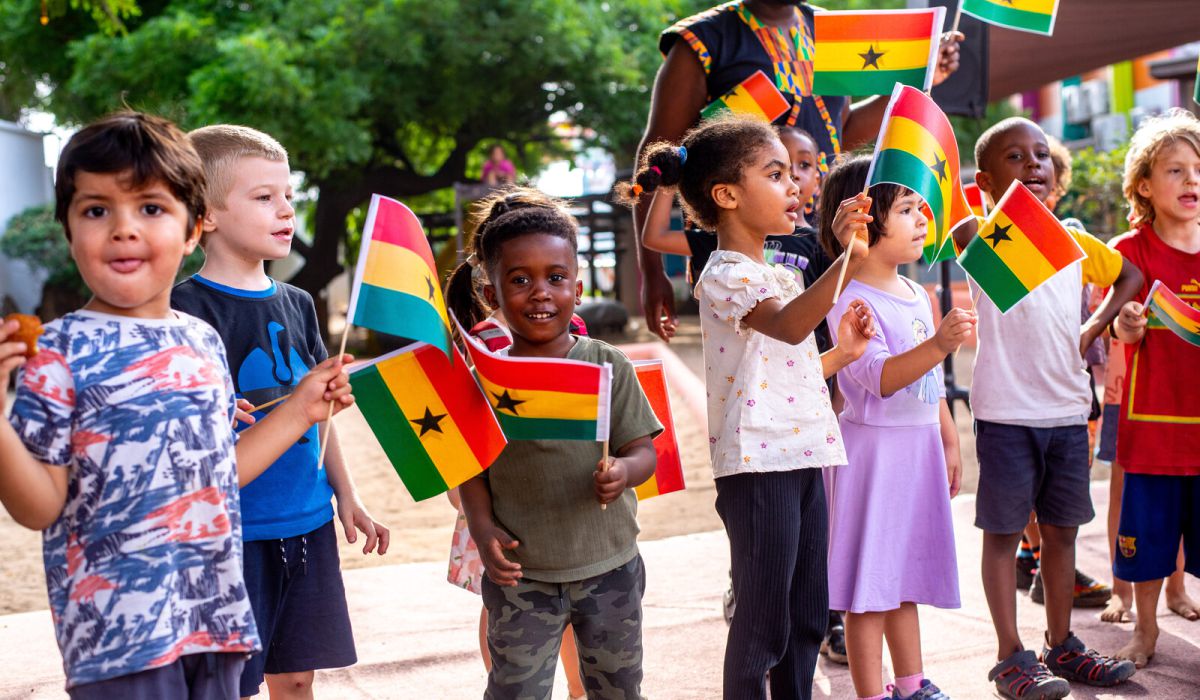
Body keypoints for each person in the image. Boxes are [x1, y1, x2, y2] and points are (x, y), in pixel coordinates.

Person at [0, 111, 355, 698]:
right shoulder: (56, 353)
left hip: (214, 625)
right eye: (96, 210)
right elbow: (38, 507)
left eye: (150, 208)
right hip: (119, 644)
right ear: (67, 228)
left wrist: (301, 410)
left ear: (192, 229)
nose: (123, 229)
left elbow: (217, 478)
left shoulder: (201, 342)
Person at [623, 114, 874, 699]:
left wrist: (844, 353)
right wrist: (851, 260)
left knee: (807, 614)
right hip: (759, 465)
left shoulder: (777, 275)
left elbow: (791, 369)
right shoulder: (724, 272)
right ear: (727, 196)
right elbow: (788, 328)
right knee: (762, 623)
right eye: (776, 174)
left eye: (793, 174)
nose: (794, 185)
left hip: (803, 451)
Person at [170, 124, 389, 698]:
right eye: (264, 197)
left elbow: (320, 417)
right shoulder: (181, 312)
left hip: (308, 522)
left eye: (288, 195)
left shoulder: (299, 303)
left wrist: (346, 496)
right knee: (228, 684)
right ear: (206, 215)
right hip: (229, 536)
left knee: (295, 677)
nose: (286, 210)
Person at [633, 0, 963, 343]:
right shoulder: (702, 41)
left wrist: (921, 79)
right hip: (746, 249)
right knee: (759, 354)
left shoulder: (828, 29)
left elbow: (841, 130)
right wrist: (652, 270)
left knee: (826, 351)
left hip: (822, 235)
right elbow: (662, 154)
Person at [445, 187, 662, 699]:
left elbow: (644, 451)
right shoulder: (483, 377)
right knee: (515, 690)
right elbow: (470, 466)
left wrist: (624, 472)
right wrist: (481, 525)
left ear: (578, 289)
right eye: (520, 280)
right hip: (521, 576)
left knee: (618, 688)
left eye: (556, 278)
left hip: (610, 567)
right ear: (492, 295)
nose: (540, 292)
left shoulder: (608, 364)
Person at [952, 117, 1143, 699]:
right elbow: (956, 216)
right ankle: (1010, 657)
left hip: (1066, 411)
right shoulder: (982, 236)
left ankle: (1061, 645)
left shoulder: (1073, 241)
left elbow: (1130, 274)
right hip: (1007, 415)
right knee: (1003, 535)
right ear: (986, 180)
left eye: (1040, 155)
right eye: (1015, 157)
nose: (1033, 164)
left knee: (1062, 533)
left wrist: (1092, 327)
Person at [818, 155, 975, 700]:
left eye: (921, 207)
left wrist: (949, 440)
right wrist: (940, 345)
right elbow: (880, 378)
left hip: (917, 451)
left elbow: (930, 387)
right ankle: (871, 693)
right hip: (874, 458)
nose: (922, 218)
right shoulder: (849, 298)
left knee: (902, 577)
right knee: (869, 589)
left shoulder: (918, 294)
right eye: (906, 208)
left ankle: (910, 685)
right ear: (864, 221)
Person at [1106, 109, 1200, 667]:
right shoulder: (1130, 250)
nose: (1192, 180)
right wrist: (1127, 325)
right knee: (1146, 542)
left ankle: (1176, 602)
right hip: (1151, 433)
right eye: (1175, 170)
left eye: (1198, 169)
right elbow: (1114, 325)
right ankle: (1146, 630)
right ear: (1144, 185)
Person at [1017, 136, 1113, 610]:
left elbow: (1120, 277)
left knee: (1064, 484)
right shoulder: (1004, 241)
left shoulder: (1070, 236)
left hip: (1073, 380)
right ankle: (1035, 557)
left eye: (1047, 176)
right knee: (1031, 484)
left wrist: (1095, 326)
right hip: (1024, 386)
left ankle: (1039, 561)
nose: (1039, 183)